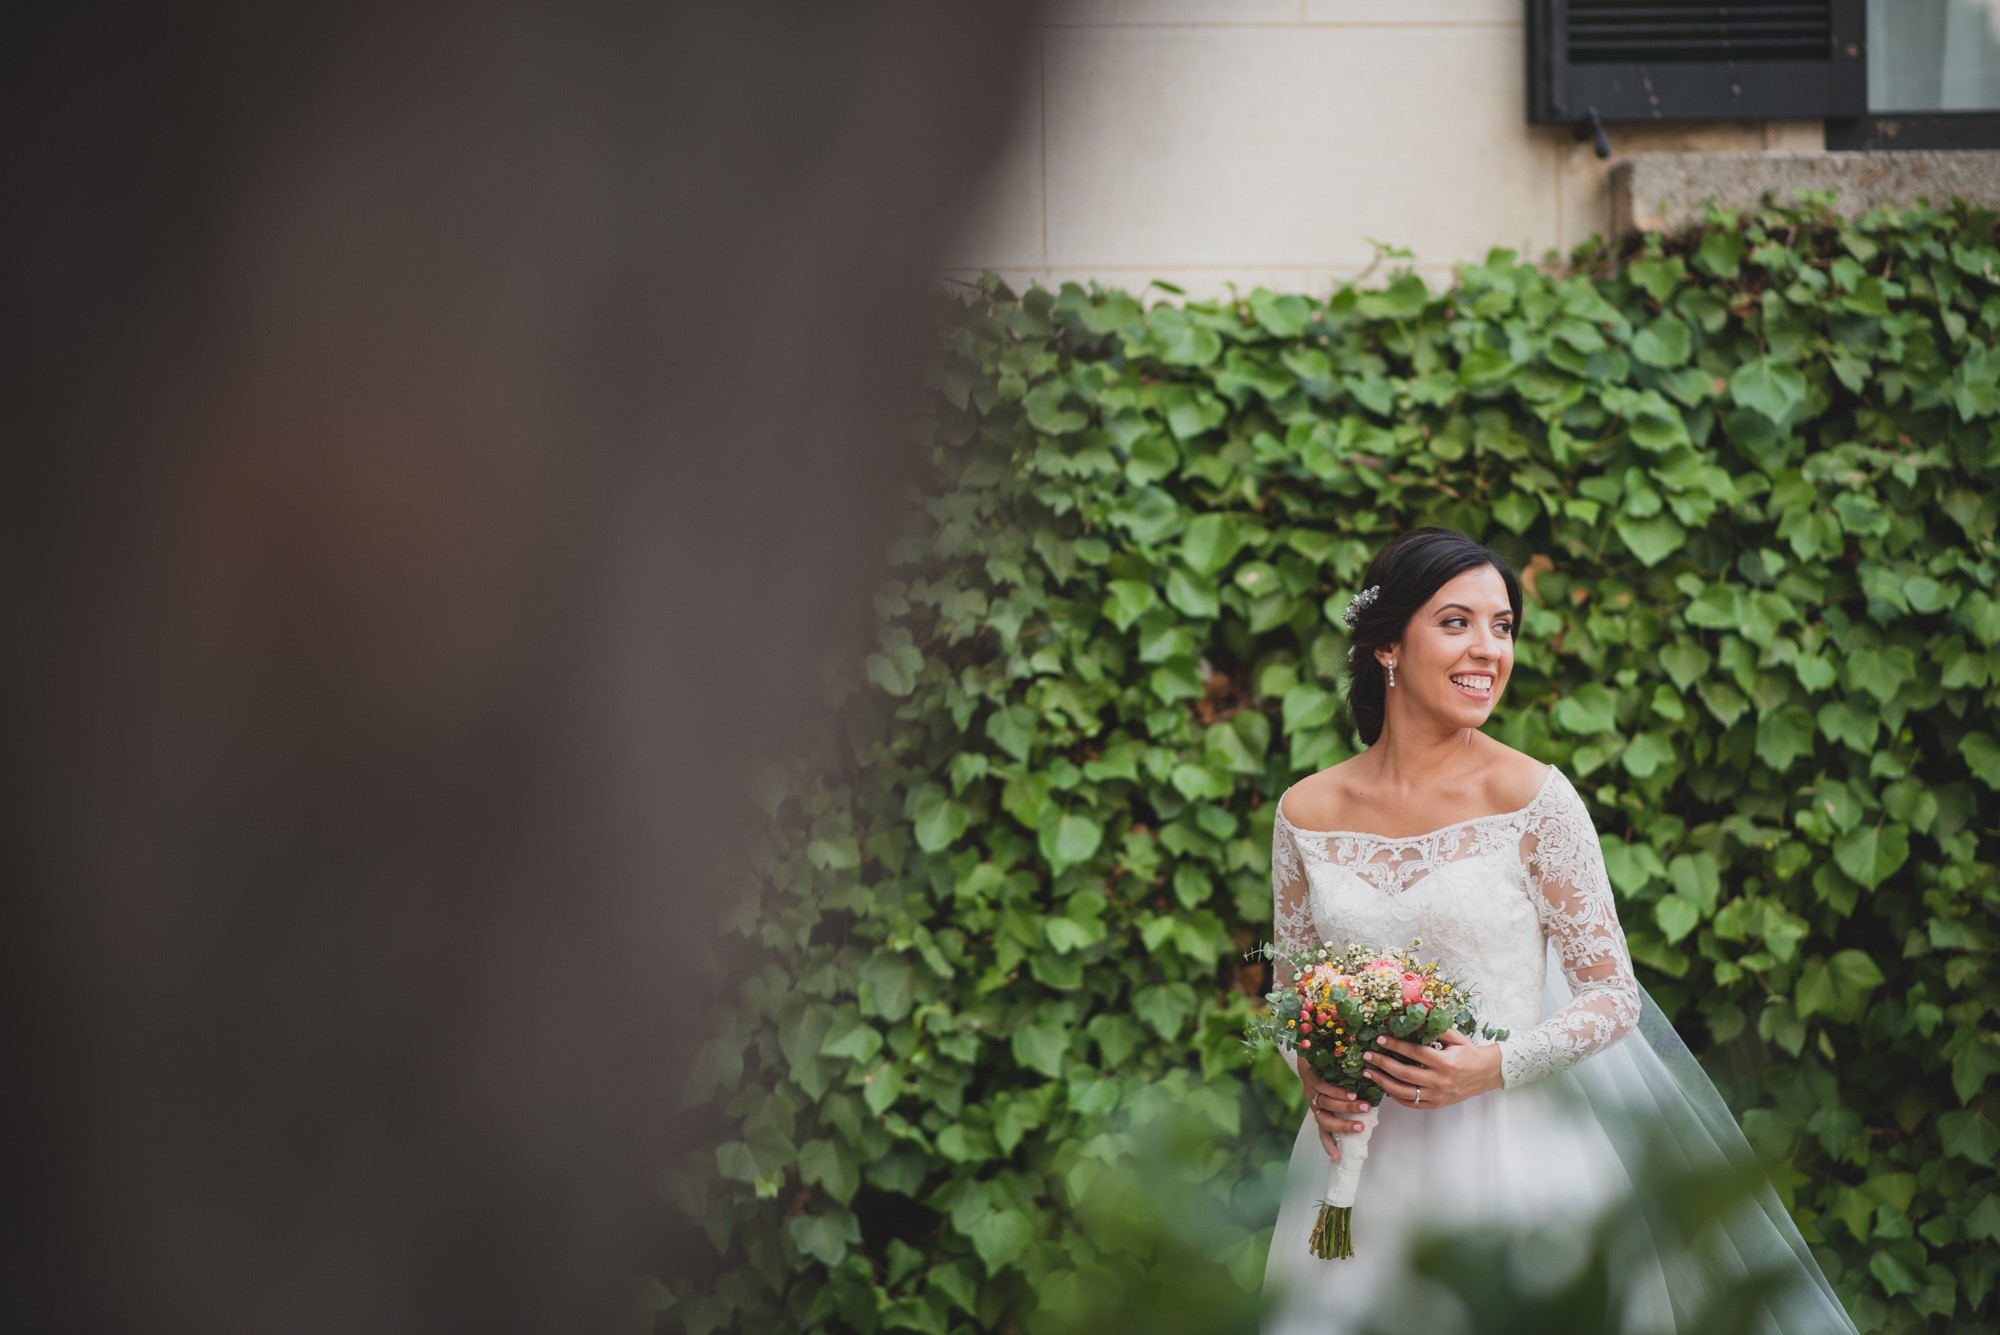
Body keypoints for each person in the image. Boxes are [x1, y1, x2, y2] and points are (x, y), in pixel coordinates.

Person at [1260, 527, 1855, 1334]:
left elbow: (1612, 996)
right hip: (1357, 1173)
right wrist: (1315, 1073)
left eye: (1502, 626)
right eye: (1457, 622)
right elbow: (1292, 988)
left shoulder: (1534, 800)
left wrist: (1493, 1065)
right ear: (1388, 647)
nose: (1489, 649)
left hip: (1516, 1159)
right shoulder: (1305, 811)